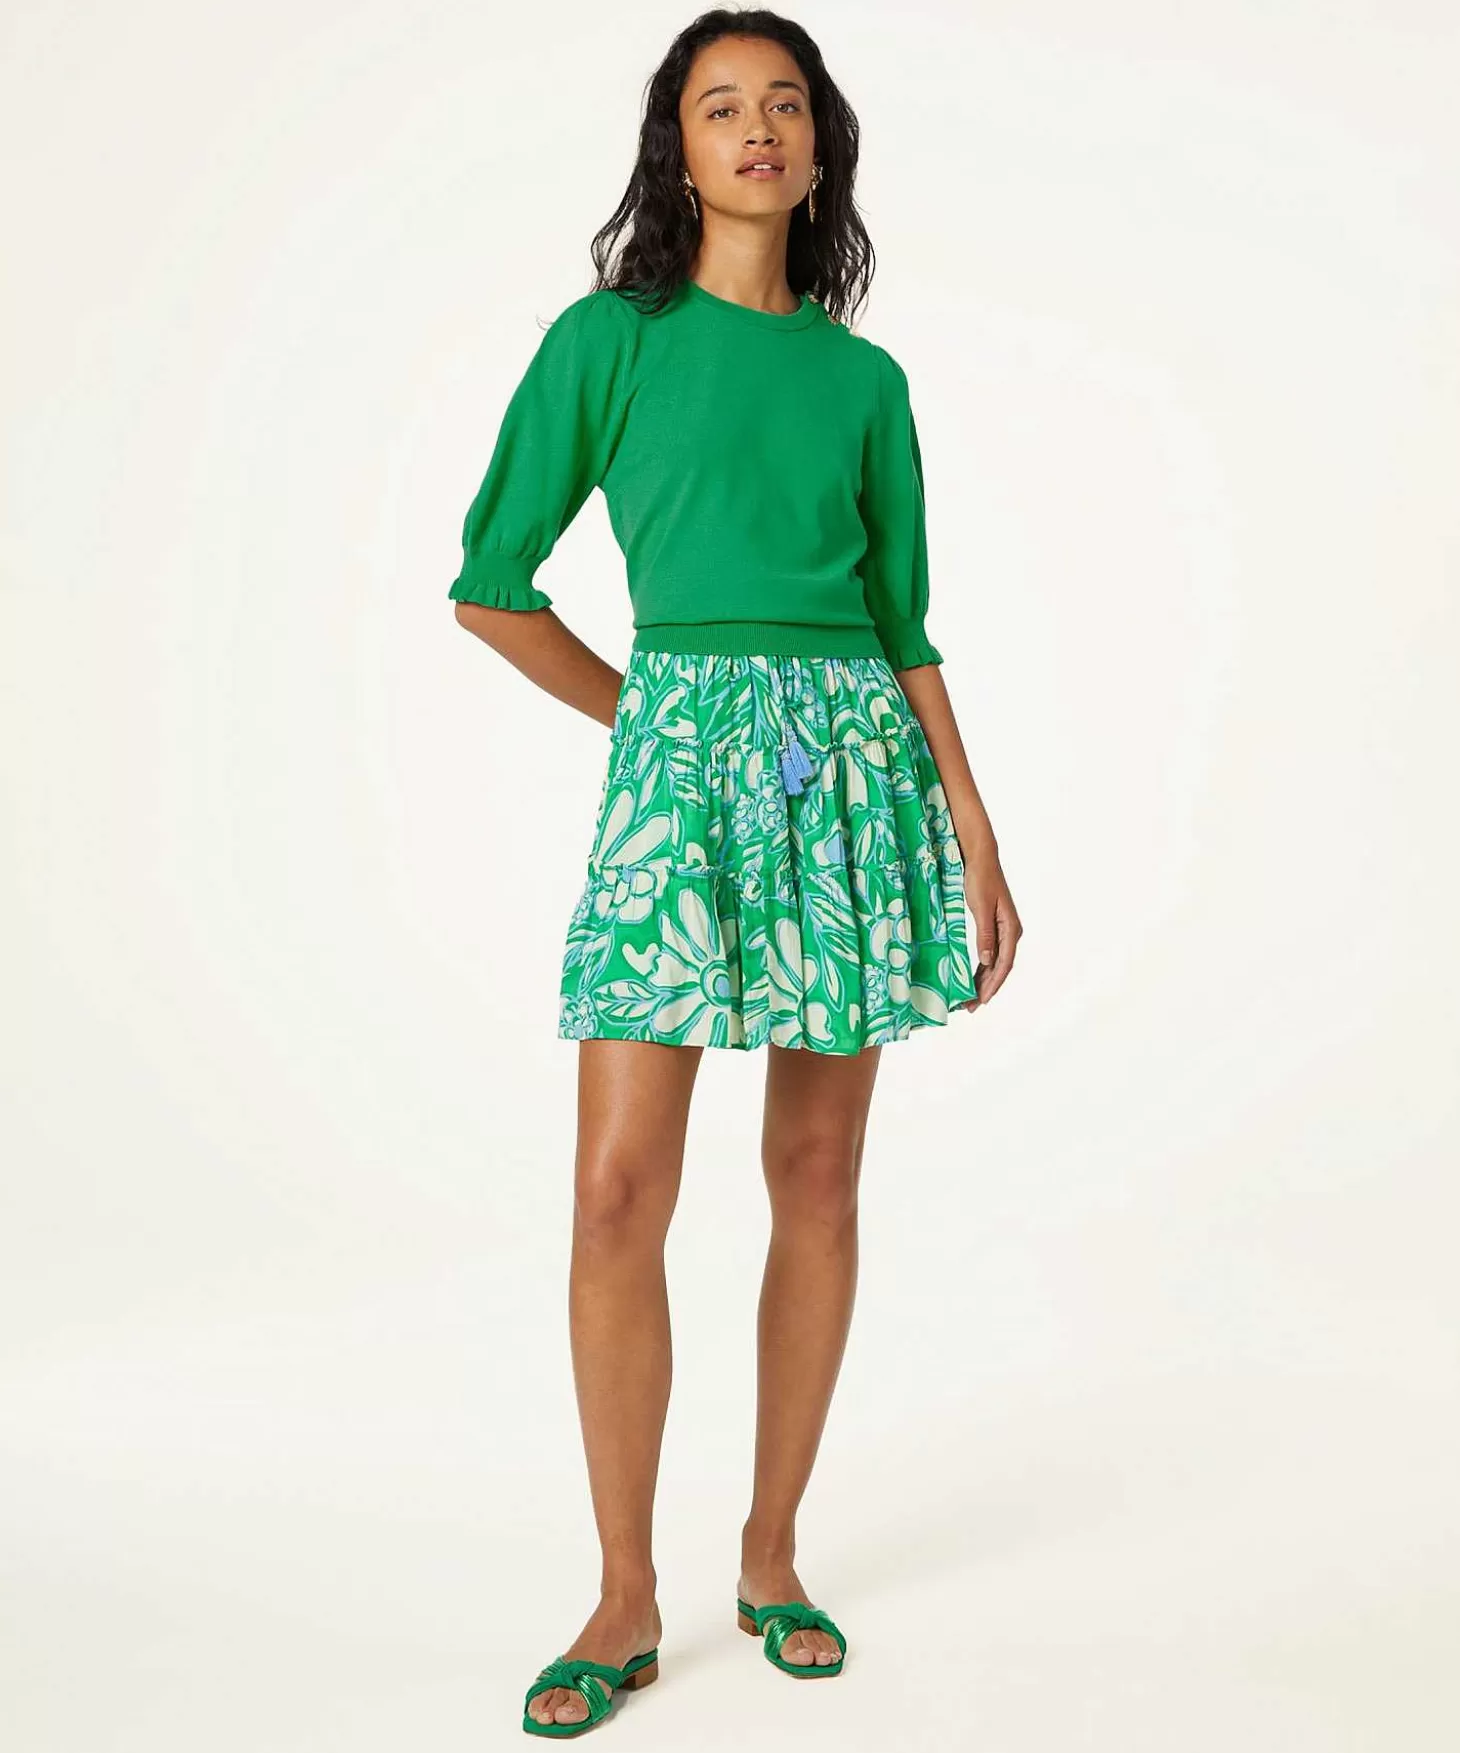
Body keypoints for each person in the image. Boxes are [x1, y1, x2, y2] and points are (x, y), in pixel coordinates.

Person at [447, 12, 1022, 1737]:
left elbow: (903, 624)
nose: (757, 128)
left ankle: (770, 1555)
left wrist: (974, 826)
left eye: (784, 103)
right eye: (721, 106)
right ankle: (624, 1593)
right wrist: (652, 724)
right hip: (683, 780)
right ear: (678, 149)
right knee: (618, 1189)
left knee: (817, 1174)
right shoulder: (608, 341)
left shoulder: (866, 384)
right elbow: (492, 586)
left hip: (852, 773)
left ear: (820, 144)